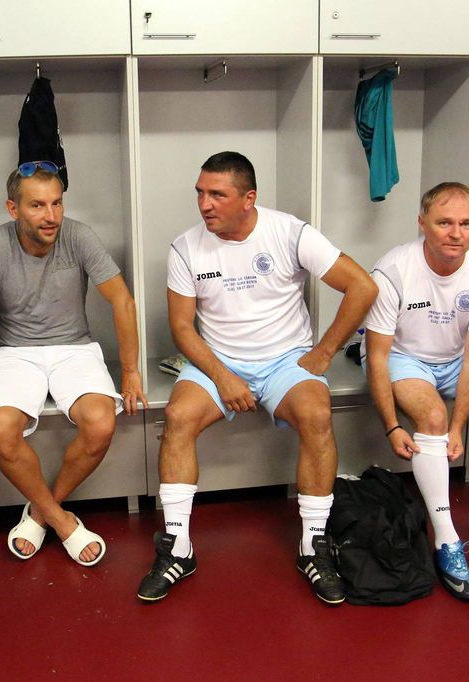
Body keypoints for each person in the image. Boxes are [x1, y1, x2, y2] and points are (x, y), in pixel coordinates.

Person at [136, 151, 378, 605]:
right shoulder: (185, 247)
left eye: (217, 195)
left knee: (317, 415)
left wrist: (324, 353)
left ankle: (313, 545)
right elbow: (182, 328)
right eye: (200, 193)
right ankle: (177, 547)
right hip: (218, 360)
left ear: (248, 199)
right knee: (179, 417)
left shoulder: (290, 232)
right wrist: (223, 376)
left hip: (285, 359)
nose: (204, 204)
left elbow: (363, 286)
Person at [0, 160, 147, 567]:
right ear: (13, 209)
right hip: (14, 352)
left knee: (101, 423)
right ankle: (63, 522)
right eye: (38, 206)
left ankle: (43, 513)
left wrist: (131, 372)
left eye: (57, 203)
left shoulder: (78, 236)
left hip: (74, 348)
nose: (51, 216)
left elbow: (122, 301)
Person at [362, 181, 469, 602]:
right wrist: (391, 426)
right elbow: (378, 357)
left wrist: (460, 428)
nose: (456, 233)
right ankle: (445, 538)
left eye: (466, 224)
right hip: (404, 357)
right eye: (444, 223)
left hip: (457, 359)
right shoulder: (392, 271)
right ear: (422, 223)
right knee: (432, 416)